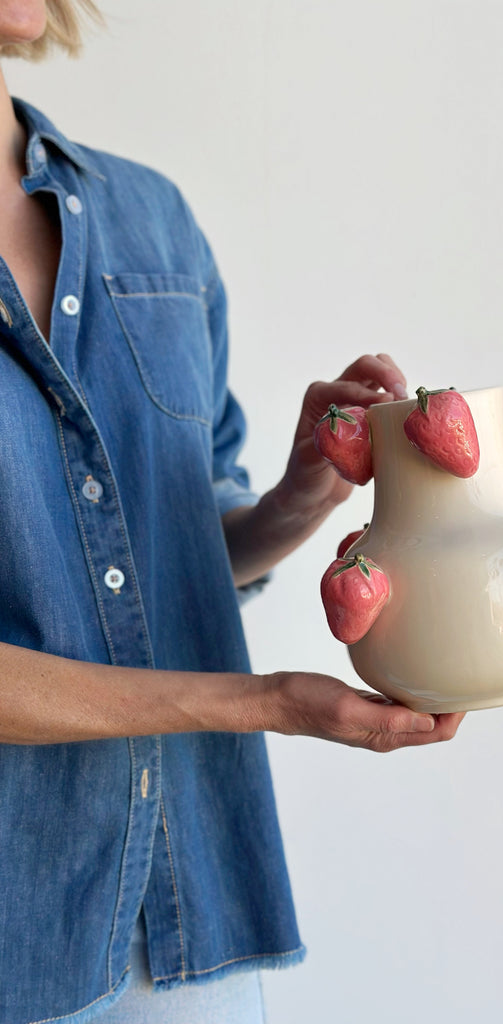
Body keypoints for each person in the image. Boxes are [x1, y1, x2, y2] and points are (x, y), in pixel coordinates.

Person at [0, 3, 464, 1021]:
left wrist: (298, 499)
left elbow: (177, 542)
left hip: (183, 906)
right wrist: (263, 702)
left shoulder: (151, 218)